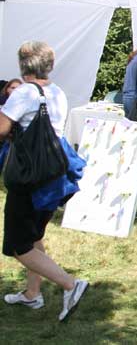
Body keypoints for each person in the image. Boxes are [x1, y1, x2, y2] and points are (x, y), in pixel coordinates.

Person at [0, 41, 88, 320]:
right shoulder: (57, 92)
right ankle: (32, 295)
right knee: (35, 235)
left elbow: (2, 129)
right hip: (52, 174)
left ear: (23, 65)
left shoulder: (24, 93)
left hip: (29, 178)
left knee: (18, 245)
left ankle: (70, 284)